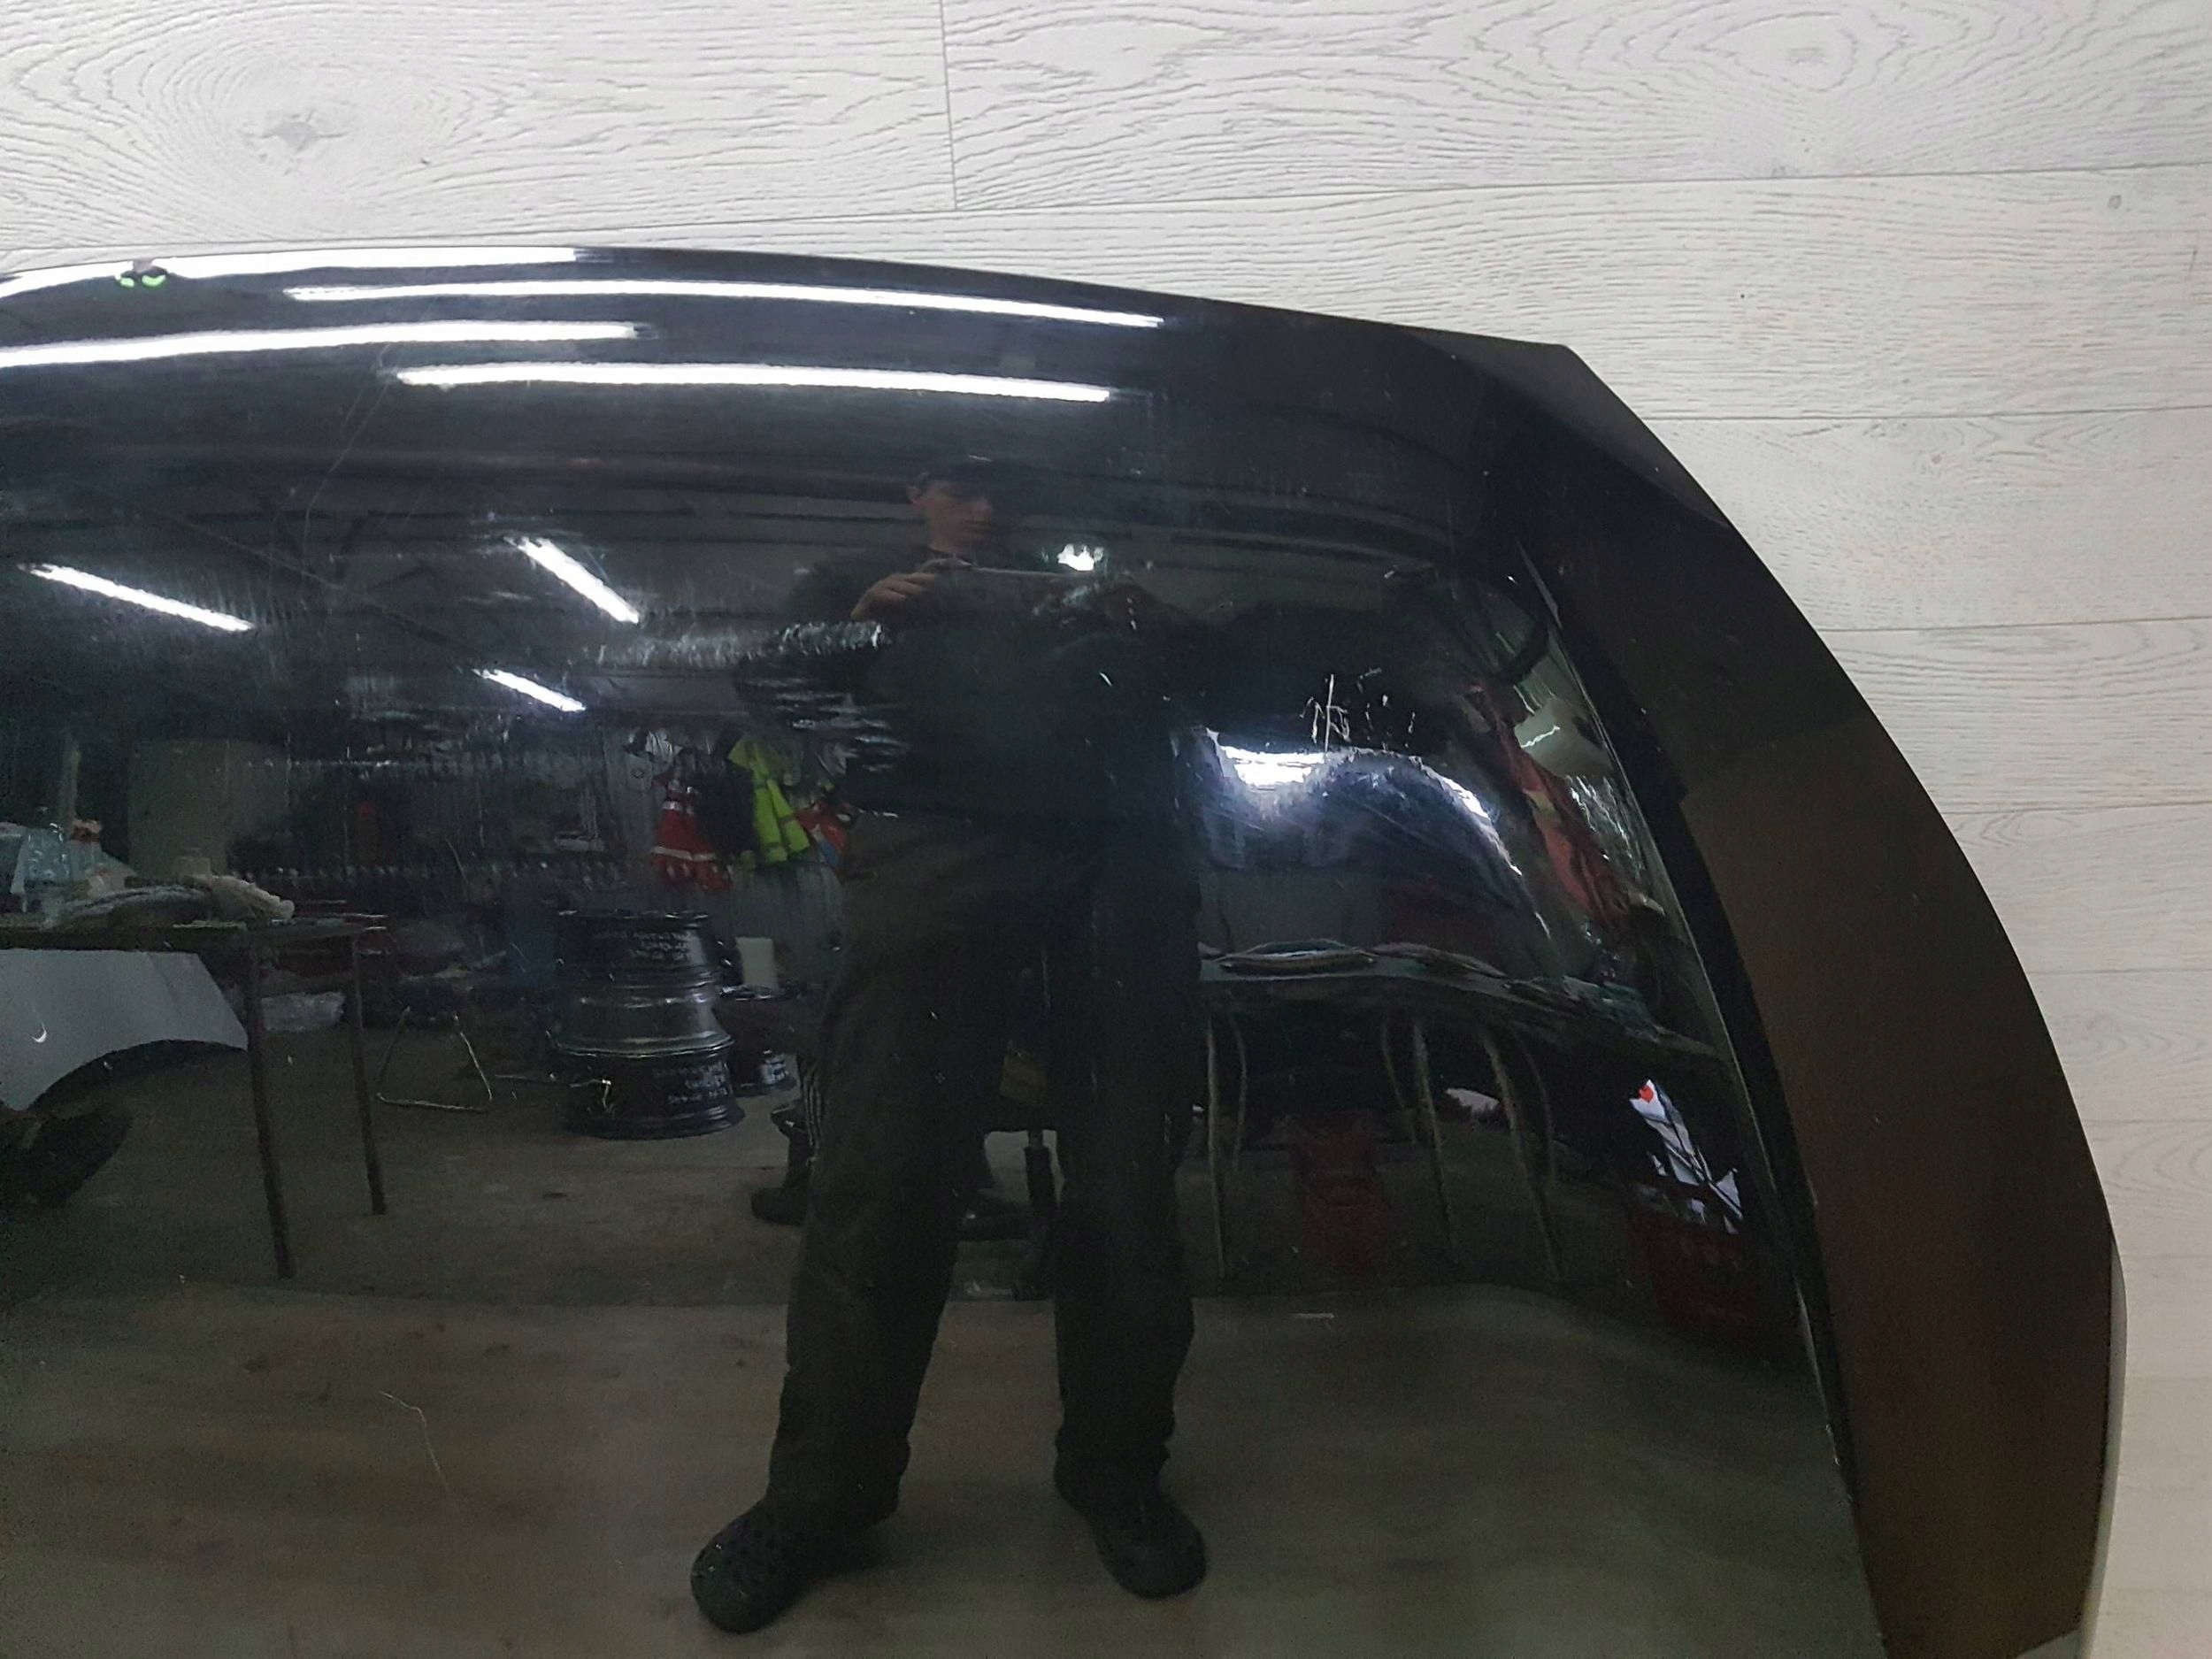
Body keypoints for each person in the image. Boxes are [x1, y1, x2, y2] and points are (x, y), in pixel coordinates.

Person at [694, 461, 1208, 1633]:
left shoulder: (1096, 586)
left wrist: (1158, 630)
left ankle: (1118, 1469)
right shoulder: (858, 583)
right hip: (931, 844)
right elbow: (771, 697)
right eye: (962, 485)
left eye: (1005, 487)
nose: (987, 509)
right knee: (882, 1177)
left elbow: (1212, 693)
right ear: (916, 493)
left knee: (1129, 1184)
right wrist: (861, 621)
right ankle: (822, 1497)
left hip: (1121, 855)